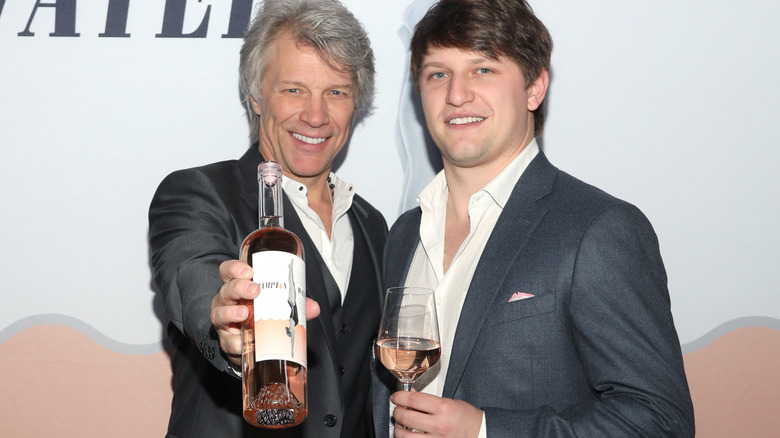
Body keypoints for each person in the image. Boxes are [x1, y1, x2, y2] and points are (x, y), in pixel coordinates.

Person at [372, 0, 695, 436]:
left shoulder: (597, 229)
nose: (456, 93)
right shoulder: (404, 232)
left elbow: (661, 422)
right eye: (438, 73)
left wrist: (486, 431)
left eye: (483, 69)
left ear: (535, 87)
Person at [149, 0, 387, 437]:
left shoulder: (374, 224)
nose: (315, 116)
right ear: (256, 97)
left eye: (336, 92)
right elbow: (195, 278)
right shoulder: (198, 195)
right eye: (293, 89)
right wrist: (229, 327)